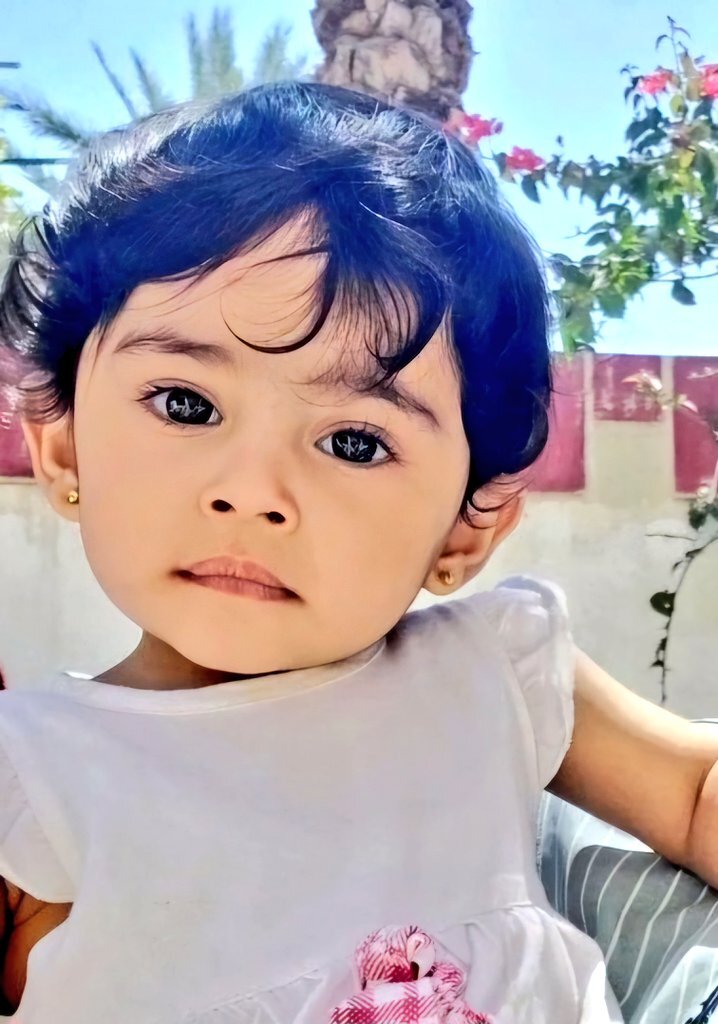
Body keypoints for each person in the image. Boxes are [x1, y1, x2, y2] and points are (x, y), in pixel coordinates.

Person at [0, 81, 715, 1024]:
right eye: (185, 404)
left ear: (464, 527)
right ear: (63, 447)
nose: (253, 491)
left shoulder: (490, 671)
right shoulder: (31, 767)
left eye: (353, 442)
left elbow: (695, 792)